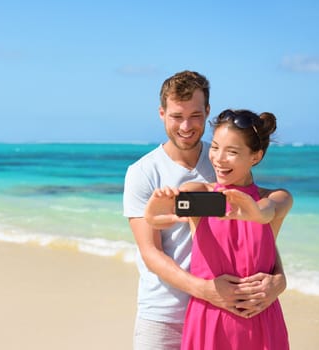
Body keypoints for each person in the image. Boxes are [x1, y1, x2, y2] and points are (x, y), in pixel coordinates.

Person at [123, 71, 286, 349]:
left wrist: (278, 280)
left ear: (207, 111)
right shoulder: (143, 172)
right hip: (165, 314)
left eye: (195, 116)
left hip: (227, 313)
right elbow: (151, 252)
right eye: (176, 116)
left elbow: (259, 230)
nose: (186, 126)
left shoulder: (223, 159)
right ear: (162, 113)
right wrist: (207, 291)